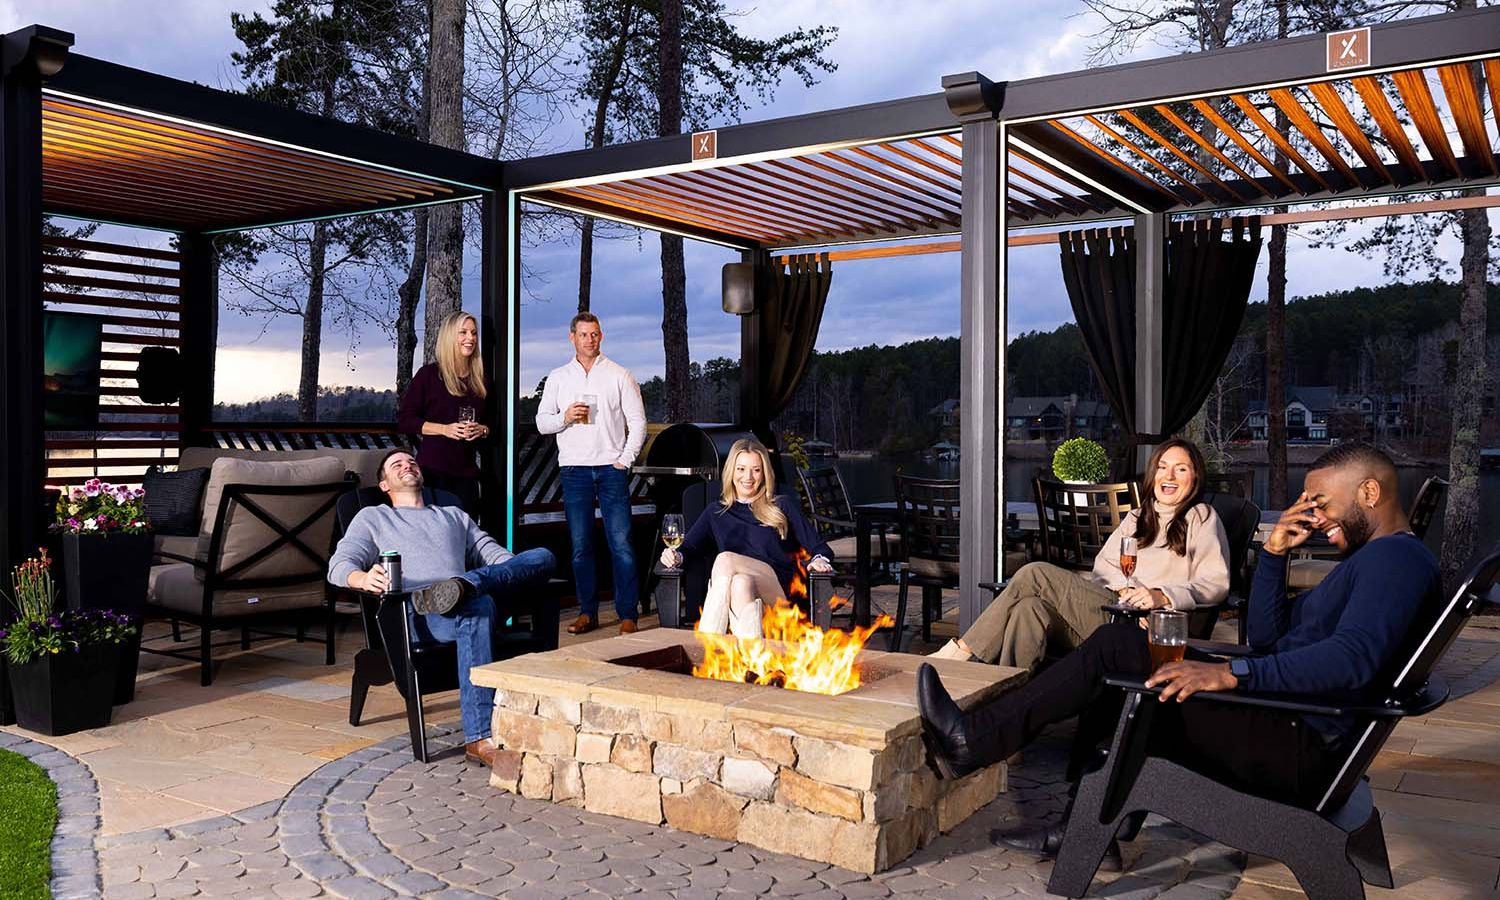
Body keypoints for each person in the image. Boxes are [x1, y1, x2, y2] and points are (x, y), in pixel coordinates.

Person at [917, 443, 1442, 861]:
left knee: (1122, 649)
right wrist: (1273, 554)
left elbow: (1350, 661)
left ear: (1369, 491)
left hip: (1294, 740)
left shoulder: (1395, 561)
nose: (1313, 515)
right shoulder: (1377, 560)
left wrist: (1231, 674)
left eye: (1320, 502)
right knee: (1124, 653)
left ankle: (974, 741)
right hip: (1284, 719)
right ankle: (1080, 828)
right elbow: (1267, 639)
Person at [329, 449, 556, 767]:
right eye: (397, 464)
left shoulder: (454, 516)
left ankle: (466, 585)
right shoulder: (373, 517)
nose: (407, 465)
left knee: (542, 556)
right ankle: (479, 737)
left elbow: (496, 556)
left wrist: (512, 572)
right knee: (478, 607)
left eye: (412, 461)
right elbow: (338, 565)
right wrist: (363, 578)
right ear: (384, 485)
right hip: (417, 612)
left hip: (467, 596)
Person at [932, 438, 1230, 670]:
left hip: (1143, 626)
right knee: (1029, 609)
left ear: (1195, 477)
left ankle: (961, 652)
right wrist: (1124, 589)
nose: (1169, 475)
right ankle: (1006, 706)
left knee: (1035, 573)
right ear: (1154, 473)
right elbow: (1104, 567)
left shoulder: (1201, 517)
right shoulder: (1138, 517)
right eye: (1163, 467)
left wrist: (1162, 596)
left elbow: (1215, 584)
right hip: (1112, 610)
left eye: (1181, 468)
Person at [535, 312, 647, 636]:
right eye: (583, 334)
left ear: (601, 336)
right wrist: (565, 417)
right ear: (572, 337)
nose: (589, 340)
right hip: (574, 470)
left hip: (612, 469)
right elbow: (542, 423)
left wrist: (625, 460)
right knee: (581, 545)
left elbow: (638, 422)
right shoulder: (558, 377)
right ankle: (587, 612)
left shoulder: (619, 375)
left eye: (594, 334)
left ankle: (628, 614)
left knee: (621, 543)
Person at [660, 439, 834, 638]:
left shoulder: (781, 506)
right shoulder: (716, 512)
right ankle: (751, 651)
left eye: (756, 470)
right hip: (752, 606)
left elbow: (821, 548)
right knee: (740, 583)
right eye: (741, 469)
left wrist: (819, 559)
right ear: (731, 471)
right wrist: (675, 556)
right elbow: (689, 547)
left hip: (780, 599)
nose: (748, 477)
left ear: (764, 473)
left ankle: (708, 640)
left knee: (725, 559)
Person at [396, 311, 491, 518]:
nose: (471, 338)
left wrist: (482, 430)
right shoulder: (429, 375)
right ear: (449, 337)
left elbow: (491, 424)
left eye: (474, 333)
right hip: (433, 472)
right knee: (435, 531)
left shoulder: (481, 380)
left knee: (467, 530)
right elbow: (405, 420)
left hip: (467, 473)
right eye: (463, 332)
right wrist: (444, 429)